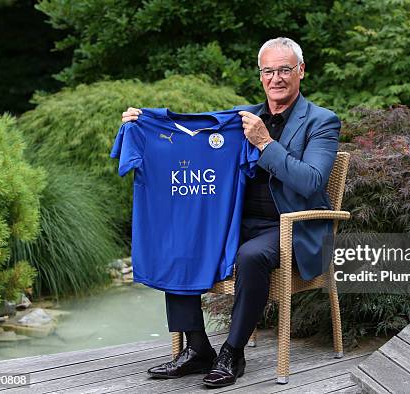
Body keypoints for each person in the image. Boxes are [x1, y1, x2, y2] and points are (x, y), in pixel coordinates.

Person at [121, 37, 340, 387]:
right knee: (184, 241)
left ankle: (232, 352)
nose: (276, 78)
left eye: (285, 69)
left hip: (291, 225)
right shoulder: (243, 115)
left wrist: (265, 144)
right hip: (236, 221)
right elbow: (191, 128)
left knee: (251, 256)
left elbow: (312, 182)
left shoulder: (322, 122)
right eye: (268, 71)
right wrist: (144, 120)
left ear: (301, 71)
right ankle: (197, 348)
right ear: (260, 75)